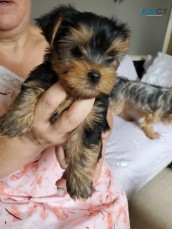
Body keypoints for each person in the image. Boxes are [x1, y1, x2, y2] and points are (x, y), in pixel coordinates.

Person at [0, 1, 130, 228]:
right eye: (77, 52)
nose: (95, 69)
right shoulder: (43, 71)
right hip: (19, 210)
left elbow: (98, 126)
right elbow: (32, 90)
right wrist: (27, 139)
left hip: (96, 201)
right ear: (54, 41)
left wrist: (98, 133)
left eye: (109, 60)